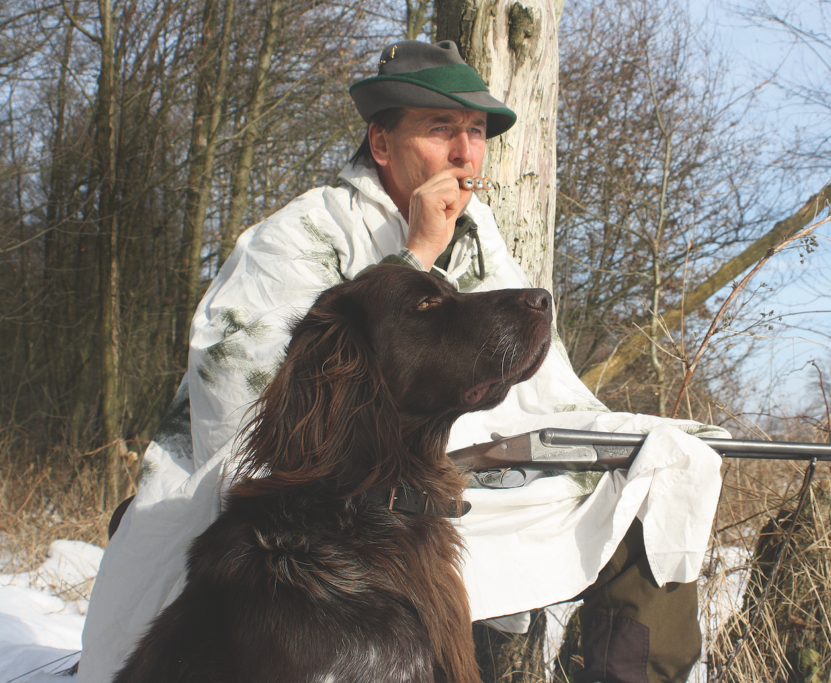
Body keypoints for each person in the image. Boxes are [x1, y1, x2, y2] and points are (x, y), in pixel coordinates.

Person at [78, 40, 728, 683]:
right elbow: (249, 407)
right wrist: (412, 257)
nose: (465, 152)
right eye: (441, 128)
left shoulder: (484, 247)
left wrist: (638, 435)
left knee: (648, 478)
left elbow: (550, 394)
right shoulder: (299, 235)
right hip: (305, 520)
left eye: (475, 132)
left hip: (448, 487)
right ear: (381, 144)